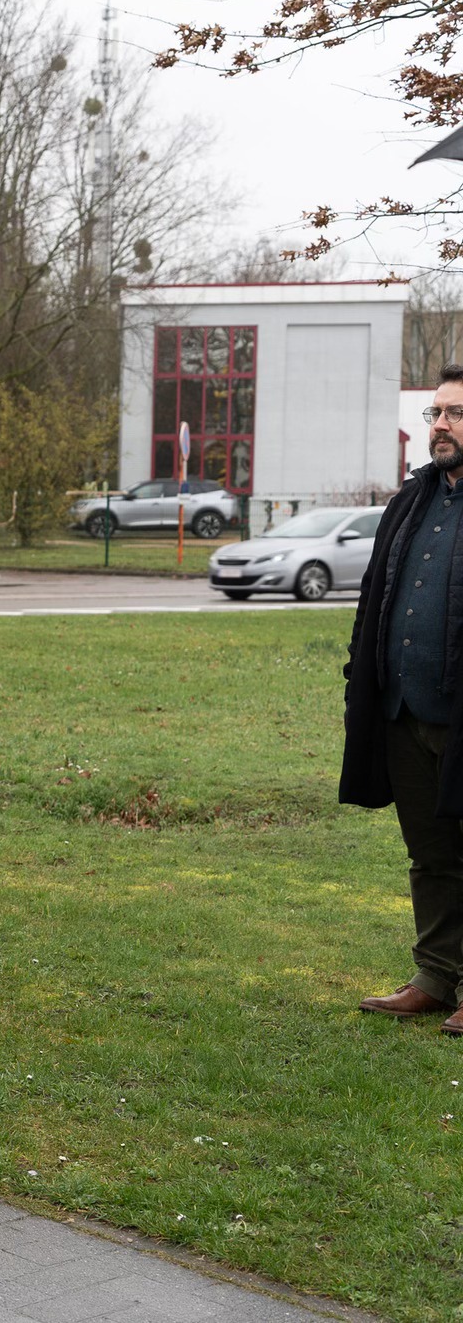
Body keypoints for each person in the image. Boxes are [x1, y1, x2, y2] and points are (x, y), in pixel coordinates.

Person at [342, 363, 463, 1036]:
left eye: (454, 413)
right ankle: (436, 975)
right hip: (405, 711)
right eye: (435, 413)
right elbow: (377, 597)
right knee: (431, 853)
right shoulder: (412, 501)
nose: (440, 424)